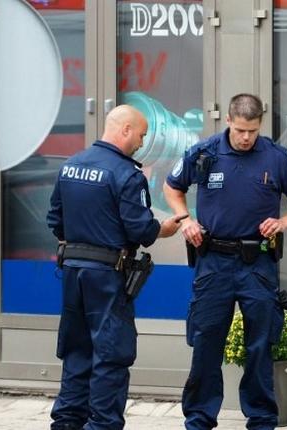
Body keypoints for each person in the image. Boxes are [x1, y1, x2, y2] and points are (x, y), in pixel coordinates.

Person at [163, 93, 287, 430]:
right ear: (229, 121)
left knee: (260, 343)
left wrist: (282, 223)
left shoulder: (276, 158)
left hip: (257, 263)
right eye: (241, 130)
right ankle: (200, 418)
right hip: (213, 260)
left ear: (260, 125)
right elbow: (172, 186)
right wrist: (184, 219)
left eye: (253, 131)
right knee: (206, 340)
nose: (247, 138)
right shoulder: (204, 152)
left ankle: (261, 419)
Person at [47, 104, 186, 430]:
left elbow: (55, 220)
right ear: (124, 130)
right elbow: (140, 230)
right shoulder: (127, 174)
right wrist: (161, 229)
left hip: (72, 273)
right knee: (111, 356)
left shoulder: (71, 165)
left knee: (77, 355)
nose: (141, 142)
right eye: (140, 135)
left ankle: (66, 424)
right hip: (107, 278)